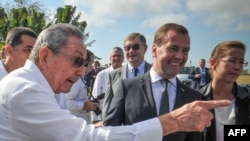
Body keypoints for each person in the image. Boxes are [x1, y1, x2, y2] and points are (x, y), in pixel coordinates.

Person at [0, 23, 231, 141]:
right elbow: (87, 138)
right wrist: (171, 122)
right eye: (77, 61)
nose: (82, 72)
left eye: (241, 62)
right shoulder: (25, 88)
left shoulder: (198, 96)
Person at [103, 23, 210, 141]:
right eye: (173, 48)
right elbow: (110, 132)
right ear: (154, 50)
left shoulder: (192, 97)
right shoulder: (127, 88)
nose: (180, 56)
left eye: (185, 51)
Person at [199, 40, 250, 141]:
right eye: (232, 60)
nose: (238, 67)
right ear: (213, 63)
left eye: (241, 62)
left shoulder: (246, 98)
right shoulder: (196, 99)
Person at [91, 46, 124, 123]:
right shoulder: (102, 75)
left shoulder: (128, 74)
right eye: (114, 56)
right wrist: (96, 119)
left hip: (124, 118)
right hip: (105, 118)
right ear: (110, 58)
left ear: (123, 58)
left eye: (119, 56)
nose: (117, 58)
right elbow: (95, 98)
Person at [65, 49, 99, 124]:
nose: (93, 67)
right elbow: (67, 102)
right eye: (92, 63)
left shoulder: (80, 78)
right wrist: (84, 105)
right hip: (76, 123)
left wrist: (88, 103)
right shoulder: (76, 79)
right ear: (85, 63)